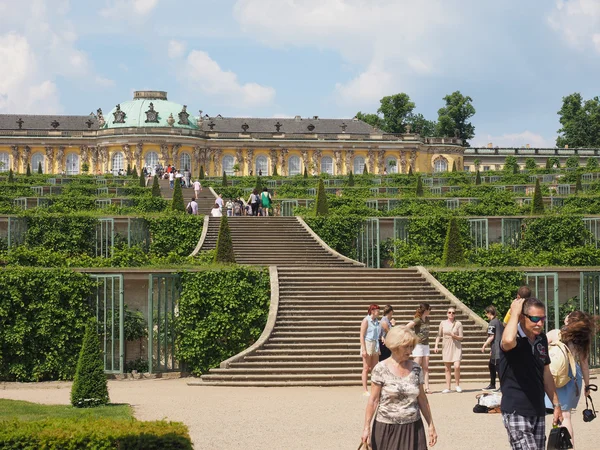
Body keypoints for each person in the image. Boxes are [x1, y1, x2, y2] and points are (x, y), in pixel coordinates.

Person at [499, 297, 562, 450]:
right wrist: (514, 313)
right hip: (516, 409)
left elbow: (546, 373)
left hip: (537, 408)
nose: (539, 323)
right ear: (522, 317)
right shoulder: (513, 337)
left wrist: (556, 404)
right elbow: (507, 341)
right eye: (535, 319)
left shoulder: (541, 338)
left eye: (542, 318)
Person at [361, 326, 437, 449]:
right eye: (406, 346)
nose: (410, 350)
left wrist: (431, 425)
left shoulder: (416, 369)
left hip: (414, 427)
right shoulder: (380, 369)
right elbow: (373, 400)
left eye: (411, 346)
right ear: (395, 347)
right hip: (387, 428)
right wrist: (366, 428)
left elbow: (422, 399)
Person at [544, 311, 595, 448]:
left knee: (556, 414)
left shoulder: (556, 333)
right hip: (572, 375)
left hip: (555, 373)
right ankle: (568, 445)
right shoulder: (583, 339)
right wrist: (587, 386)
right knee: (566, 416)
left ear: (569, 321)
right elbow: (584, 365)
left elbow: (539, 348)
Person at [434, 307, 463, 393]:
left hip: (456, 345)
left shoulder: (458, 323)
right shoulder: (442, 323)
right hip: (446, 345)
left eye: (453, 313)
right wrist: (436, 346)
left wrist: (454, 336)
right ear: (447, 313)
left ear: (455, 314)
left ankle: (457, 385)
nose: (451, 314)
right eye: (449, 312)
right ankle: (448, 387)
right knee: (447, 368)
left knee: (457, 366)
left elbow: (461, 337)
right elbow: (438, 335)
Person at [406, 303, 432, 394]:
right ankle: (413, 385)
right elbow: (407, 327)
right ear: (426, 310)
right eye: (429, 309)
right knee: (416, 367)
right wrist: (412, 337)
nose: (430, 311)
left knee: (426, 367)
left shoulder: (427, 319)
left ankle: (427, 387)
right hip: (418, 345)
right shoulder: (418, 320)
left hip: (426, 344)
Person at [481, 305, 504, 391]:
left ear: (490, 313)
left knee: (498, 368)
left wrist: (484, 345)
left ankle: (501, 386)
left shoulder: (492, 323)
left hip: (497, 349)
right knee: (491, 365)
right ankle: (492, 384)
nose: (486, 315)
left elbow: (491, 336)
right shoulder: (499, 322)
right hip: (497, 348)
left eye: (486, 313)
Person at [360, 304, 381, 396]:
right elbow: (362, 335)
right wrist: (364, 349)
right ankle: (365, 389)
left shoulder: (377, 321)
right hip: (368, 343)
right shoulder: (366, 320)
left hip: (375, 343)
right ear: (372, 311)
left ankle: (374, 388)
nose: (379, 312)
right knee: (366, 367)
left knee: (375, 368)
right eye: (377, 310)